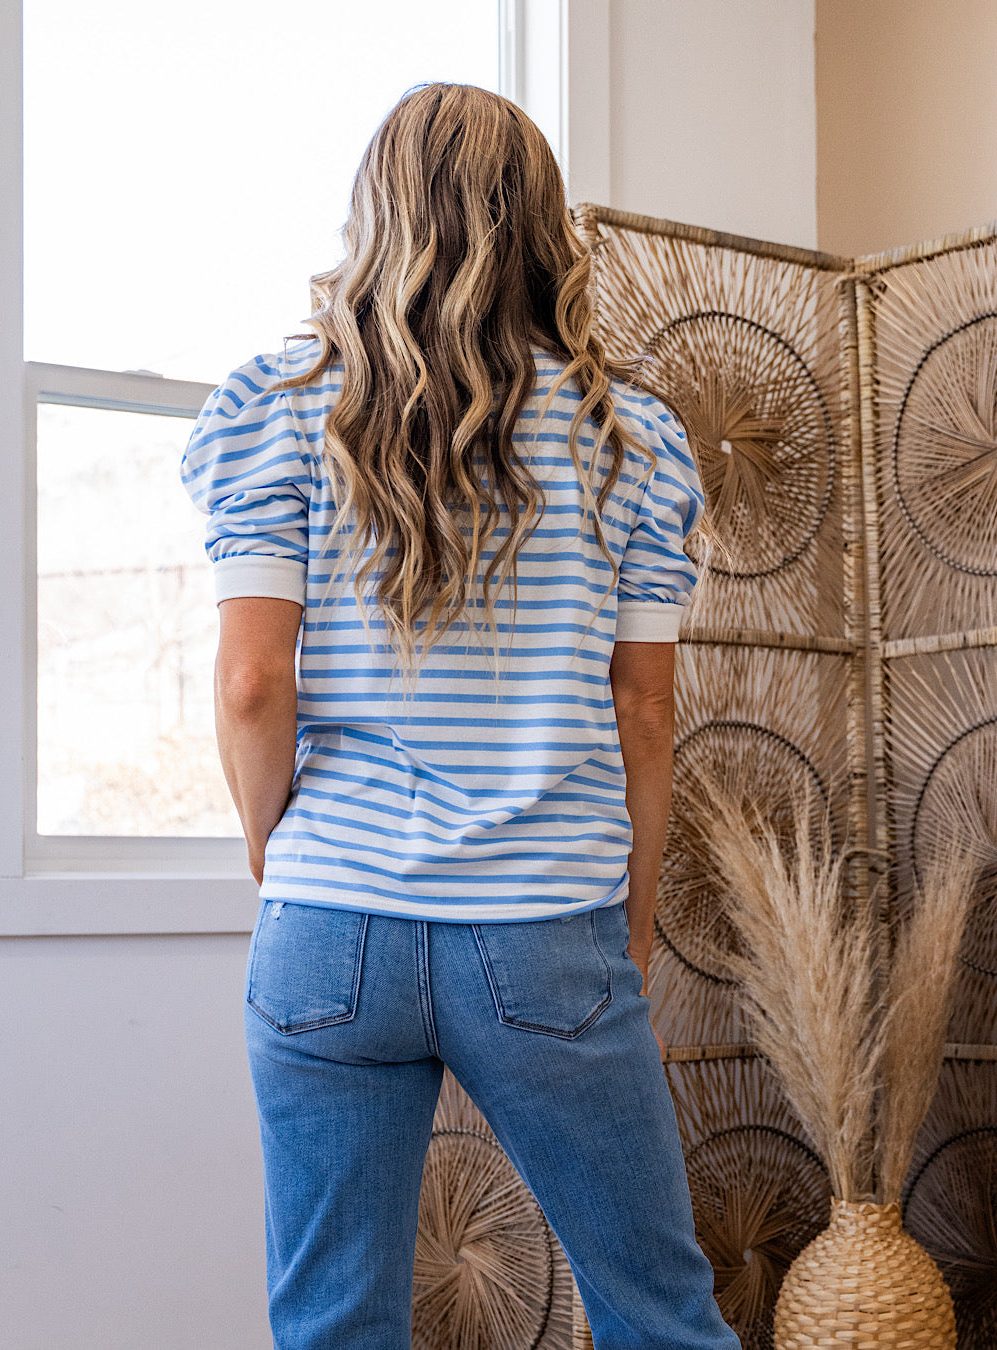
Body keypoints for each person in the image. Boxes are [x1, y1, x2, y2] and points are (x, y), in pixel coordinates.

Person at [180, 81, 741, 1350]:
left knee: (334, 1325)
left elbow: (252, 681)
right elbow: (646, 710)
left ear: (375, 213)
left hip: (329, 926)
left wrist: (281, 851)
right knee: (658, 1313)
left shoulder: (274, 408)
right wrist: (631, 915)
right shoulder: (632, 438)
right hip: (545, 925)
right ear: (543, 225)